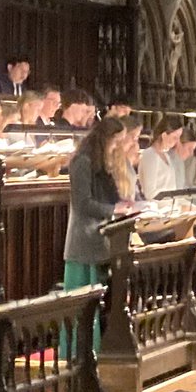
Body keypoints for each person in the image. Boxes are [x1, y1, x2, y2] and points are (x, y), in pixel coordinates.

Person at [62, 116, 136, 354]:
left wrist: (126, 205)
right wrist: (114, 209)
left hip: (101, 239)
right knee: (81, 303)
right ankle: (77, 352)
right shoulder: (82, 162)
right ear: (105, 139)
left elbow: (111, 197)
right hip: (84, 242)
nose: (116, 148)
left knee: (99, 301)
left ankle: (96, 349)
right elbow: (82, 204)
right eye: (116, 142)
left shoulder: (102, 164)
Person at [139, 114, 184, 199]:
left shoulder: (166, 156)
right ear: (164, 135)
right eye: (175, 137)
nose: (177, 142)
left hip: (171, 208)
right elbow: (150, 193)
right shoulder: (150, 155)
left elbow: (172, 189)